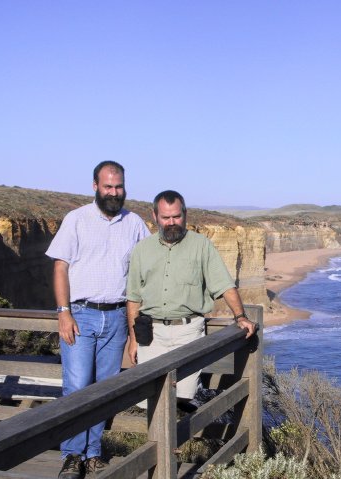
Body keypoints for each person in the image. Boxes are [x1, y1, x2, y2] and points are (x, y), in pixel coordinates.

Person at [46, 161, 150, 479]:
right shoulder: (76, 220)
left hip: (117, 316)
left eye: (118, 186)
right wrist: (63, 313)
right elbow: (60, 267)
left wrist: (135, 332)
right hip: (81, 314)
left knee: (104, 391)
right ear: (95, 186)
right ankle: (72, 456)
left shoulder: (134, 224)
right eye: (108, 186)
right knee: (77, 388)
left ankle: (93, 454)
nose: (114, 192)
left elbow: (146, 270)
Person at [126, 190, 256, 406]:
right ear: (155, 216)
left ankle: (180, 440)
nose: (171, 222)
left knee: (184, 396)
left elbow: (223, 284)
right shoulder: (141, 250)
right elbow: (133, 299)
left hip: (188, 331)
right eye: (165, 217)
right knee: (148, 399)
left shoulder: (201, 245)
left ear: (185, 214)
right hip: (150, 334)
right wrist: (132, 339)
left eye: (176, 216)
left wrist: (240, 316)